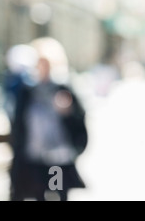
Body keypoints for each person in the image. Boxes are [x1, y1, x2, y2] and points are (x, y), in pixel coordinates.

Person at [9, 37, 88, 201]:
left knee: (57, 194)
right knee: (38, 194)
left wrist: (67, 112)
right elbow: (19, 123)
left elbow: (78, 122)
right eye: (39, 62)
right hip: (34, 157)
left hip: (57, 159)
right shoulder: (28, 90)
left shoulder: (62, 89)